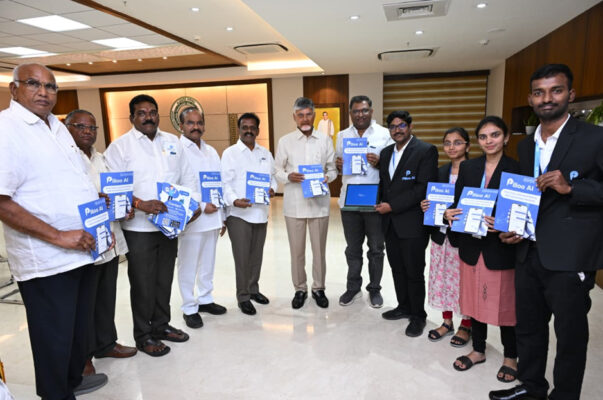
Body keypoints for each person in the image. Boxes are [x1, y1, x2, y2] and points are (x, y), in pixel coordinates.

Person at [490, 64, 603, 400]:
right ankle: (532, 387)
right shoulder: (526, 146)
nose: (547, 98)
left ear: (570, 94)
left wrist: (572, 188)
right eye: (539, 92)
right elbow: (528, 198)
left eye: (556, 90)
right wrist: (511, 227)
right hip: (528, 251)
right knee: (529, 327)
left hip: (570, 256)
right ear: (530, 99)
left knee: (569, 336)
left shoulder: (594, 137)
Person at [0, 63, 107, 399]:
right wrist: (59, 236)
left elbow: (69, 181)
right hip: (47, 261)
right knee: (54, 340)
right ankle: (56, 394)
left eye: (51, 86)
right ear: (14, 88)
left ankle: (71, 384)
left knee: (77, 335)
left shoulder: (56, 127)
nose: (44, 92)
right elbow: (2, 201)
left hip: (82, 251)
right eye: (34, 84)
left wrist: (97, 213)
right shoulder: (6, 130)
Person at [104, 94, 199, 357]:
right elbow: (112, 188)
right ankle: (143, 335)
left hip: (169, 226)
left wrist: (192, 205)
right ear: (132, 117)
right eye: (142, 113)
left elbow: (187, 178)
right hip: (139, 229)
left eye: (153, 112)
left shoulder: (172, 142)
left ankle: (161, 325)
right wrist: (139, 203)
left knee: (163, 279)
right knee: (142, 283)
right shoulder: (120, 147)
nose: (148, 117)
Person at [444, 116, 519, 382]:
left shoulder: (517, 169)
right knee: (474, 301)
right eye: (484, 136)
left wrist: (504, 223)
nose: (489, 141)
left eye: (495, 135)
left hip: (500, 248)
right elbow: (456, 203)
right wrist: (448, 213)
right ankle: (478, 350)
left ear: (506, 138)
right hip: (471, 246)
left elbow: (523, 212)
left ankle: (511, 357)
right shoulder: (469, 167)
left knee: (506, 305)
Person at [65, 109, 138, 376]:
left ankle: (106, 343)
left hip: (109, 238)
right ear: (67, 128)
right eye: (81, 126)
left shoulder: (101, 158)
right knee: (85, 303)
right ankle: (83, 356)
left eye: (92, 128)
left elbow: (115, 192)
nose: (88, 132)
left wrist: (124, 207)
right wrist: (93, 198)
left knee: (106, 297)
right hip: (85, 241)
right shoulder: (65, 159)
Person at [376, 110, 438, 337]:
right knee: (397, 268)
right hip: (390, 224)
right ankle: (403, 306)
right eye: (392, 127)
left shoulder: (425, 150)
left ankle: (418, 316)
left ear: (410, 126)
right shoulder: (385, 153)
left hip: (412, 224)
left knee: (413, 271)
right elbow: (385, 185)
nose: (397, 130)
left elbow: (422, 188)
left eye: (401, 125)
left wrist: (392, 206)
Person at [275, 97, 337, 309]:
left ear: (314, 115)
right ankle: (300, 289)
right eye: (300, 115)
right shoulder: (285, 141)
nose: (304, 119)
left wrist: (328, 177)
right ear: (294, 117)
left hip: (319, 204)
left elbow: (332, 169)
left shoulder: (325, 140)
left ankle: (318, 288)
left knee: (319, 251)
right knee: (297, 251)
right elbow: (276, 170)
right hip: (294, 205)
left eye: (308, 114)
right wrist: (288, 176)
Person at [335, 95, 391, 307]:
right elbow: (338, 166)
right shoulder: (342, 135)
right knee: (352, 249)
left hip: (374, 201)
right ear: (351, 113)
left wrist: (380, 162)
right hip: (348, 201)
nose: (360, 114)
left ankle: (374, 289)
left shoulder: (384, 134)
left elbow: (393, 166)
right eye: (356, 111)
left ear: (371, 111)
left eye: (364, 110)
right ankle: (353, 287)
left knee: (376, 248)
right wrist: (339, 165)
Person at [421, 128, 473, 346]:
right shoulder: (439, 172)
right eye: (447, 143)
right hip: (441, 237)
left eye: (457, 142)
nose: (452, 147)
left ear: (468, 145)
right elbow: (433, 201)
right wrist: (426, 206)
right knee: (443, 279)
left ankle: (466, 325)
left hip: (464, 238)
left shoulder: (475, 171)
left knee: (464, 282)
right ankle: (447, 321)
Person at [221, 112, 277, 316]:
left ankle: (253, 289)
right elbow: (224, 183)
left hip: (260, 212)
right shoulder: (230, 153)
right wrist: (234, 200)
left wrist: (272, 189)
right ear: (239, 129)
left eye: (253, 128)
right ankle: (243, 296)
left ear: (258, 130)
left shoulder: (265, 153)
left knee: (256, 255)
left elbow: (273, 178)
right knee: (242, 257)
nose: (249, 131)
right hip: (239, 214)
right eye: (245, 127)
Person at [177, 106, 227, 328]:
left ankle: (205, 299)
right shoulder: (177, 150)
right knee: (188, 264)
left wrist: (222, 217)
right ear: (181, 126)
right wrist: (200, 204)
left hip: (213, 218)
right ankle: (189, 306)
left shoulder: (211, 151)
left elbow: (219, 184)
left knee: (208, 262)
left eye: (199, 123)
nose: (195, 127)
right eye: (190, 123)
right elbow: (176, 185)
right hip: (192, 217)